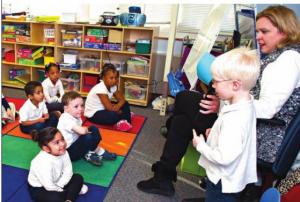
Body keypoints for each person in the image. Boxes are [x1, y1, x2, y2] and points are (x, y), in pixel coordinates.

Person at [137, 5, 300, 196]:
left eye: (264, 31)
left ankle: (163, 176)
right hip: (245, 120)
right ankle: (163, 177)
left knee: (183, 101)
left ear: (285, 31)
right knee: (182, 120)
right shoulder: (276, 55)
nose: (258, 37)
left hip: (258, 133)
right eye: (256, 31)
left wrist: (222, 104)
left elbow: (267, 109)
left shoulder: (287, 61)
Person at [192, 47, 260, 201]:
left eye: (216, 81)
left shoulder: (234, 118)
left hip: (223, 182)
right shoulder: (246, 104)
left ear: (235, 85)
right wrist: (215, 133)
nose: (213, 85)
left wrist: (200, 145)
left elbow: (224, 157)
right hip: (233, 178)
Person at [28, 127, 88, 202]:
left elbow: (68, 171)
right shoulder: (41, 162)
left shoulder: (64, 152)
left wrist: (60, 185)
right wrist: (62, 191)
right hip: (41, 187)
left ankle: (69, 199)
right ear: (46, 149)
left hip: (58, 181)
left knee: (78, 177)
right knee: (54, 198)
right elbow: (48, 186)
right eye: (57, 143)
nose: (62, 144)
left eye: (62, 139)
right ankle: (70, 194)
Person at [57, 91, 117, 167]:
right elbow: (81, 131)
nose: (80, 109)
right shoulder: (65, 118)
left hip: (76, 144)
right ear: (66, 109)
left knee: (93, 129)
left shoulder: (76, 116)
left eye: (82, 106)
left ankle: (90, 152)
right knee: (88, 136)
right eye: (76, 106)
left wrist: (89, 130)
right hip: (69, 152)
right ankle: (93, 152)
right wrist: (87, 131)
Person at [84, 63, 132, 132]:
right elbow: (109, 108)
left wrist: (118, 106)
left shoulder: (112, 86)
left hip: (104, 108)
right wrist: (119, 111)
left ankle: (126, 121)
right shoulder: (100, 88)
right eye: (111, 78)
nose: (114, 80)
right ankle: (125, 116)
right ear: (103, 78)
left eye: (116, 78)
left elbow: (122, 99)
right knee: (113, 115)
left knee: (125, 103)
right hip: (93, 114)